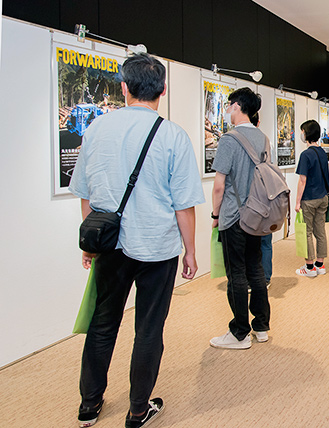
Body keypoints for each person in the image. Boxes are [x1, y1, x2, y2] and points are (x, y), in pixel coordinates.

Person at [69, 53, 205, 428]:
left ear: (124, 88)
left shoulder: (97, 129)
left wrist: (91, 240)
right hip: (157, 248)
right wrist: (190, 250)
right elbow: (184, 205)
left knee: (102, 324)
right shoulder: (173, 135)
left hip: (110, 245)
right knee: (149, 328)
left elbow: (86, 193)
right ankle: (138, 409)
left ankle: (89, 405)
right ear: (163, 89)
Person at [210, 87, 271, 349]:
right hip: (257, 215)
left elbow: (219, 185)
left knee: (236, 274)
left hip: (234, 217)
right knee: (255, 268)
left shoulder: (228, 140)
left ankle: (239, 333)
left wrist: (215, 215)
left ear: (236, 106)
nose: (227, 111)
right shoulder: (264, 138)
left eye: (228, 106)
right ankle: (261, 326)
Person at [295, 119, 329, 277]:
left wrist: (297, 202)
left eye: (302, 131)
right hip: (323, 197)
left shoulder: (305, 155)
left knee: (307, 232)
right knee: (320, 231)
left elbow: (302, 180)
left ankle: (309, 268)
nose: (301, 134)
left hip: (309, 198)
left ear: (306, 133)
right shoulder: (322, 152)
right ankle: (320, 264)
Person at [249, 111, 273, 288]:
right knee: (265, 241)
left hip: (247, 200)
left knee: (248, 242)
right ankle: (265, 278)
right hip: (265, 196)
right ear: (258, 121)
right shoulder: (265, 140)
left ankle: (250, 279)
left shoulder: (233, 139)